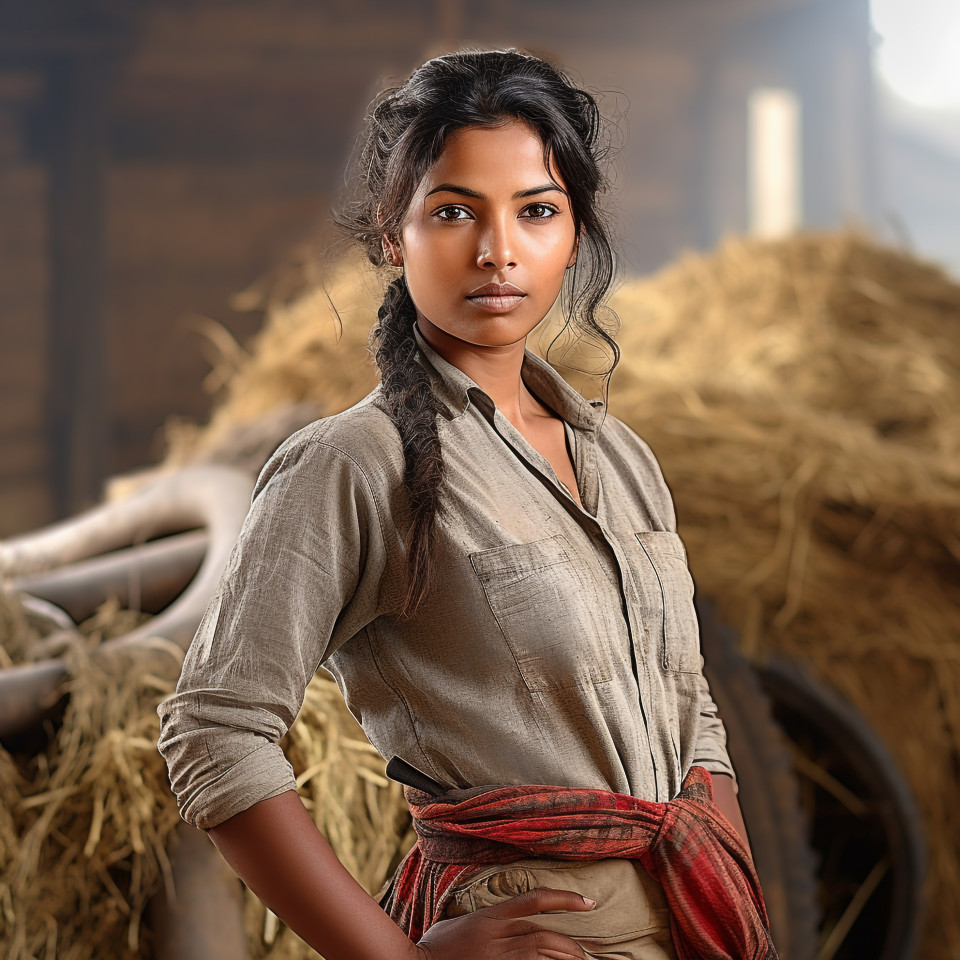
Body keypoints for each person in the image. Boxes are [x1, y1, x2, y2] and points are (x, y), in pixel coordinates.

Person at [158, 49, 777, 960]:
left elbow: (695, 720)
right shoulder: (356, 464)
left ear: (575, 231)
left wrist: (720, 883)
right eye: (453, 212)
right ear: (389, 233)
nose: (499, 251)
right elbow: (214, 727)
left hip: (695, 922)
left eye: (536, 211)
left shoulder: (621, 458)